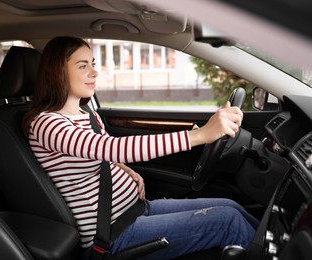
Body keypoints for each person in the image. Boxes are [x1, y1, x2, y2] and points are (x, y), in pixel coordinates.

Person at [22, 36, 259, 259]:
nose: (95, 72)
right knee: (228, 221)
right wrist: (200, 135)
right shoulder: (47, 123)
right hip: (111, 235)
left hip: (137, 210)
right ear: (58, 73)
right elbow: (111, 148)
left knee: (229, 205)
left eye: (92, 64)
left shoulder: (86, 114)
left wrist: (127, 170)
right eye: (83, 66)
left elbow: (100, 156)